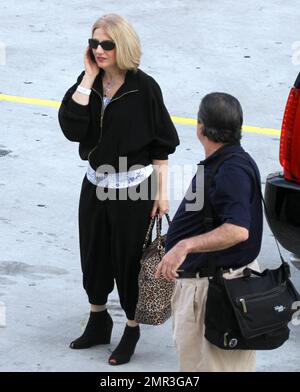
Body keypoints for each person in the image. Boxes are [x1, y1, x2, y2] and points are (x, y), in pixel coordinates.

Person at [58, 13, 179, 365]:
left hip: (132, 189)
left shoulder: (145, 88)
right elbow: (71, 128)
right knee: (93, 254)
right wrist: (89, 77)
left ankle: (131, 326)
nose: (98, 49)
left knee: (128, 261)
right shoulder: (89, 83)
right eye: (94, 43)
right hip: (95, 184)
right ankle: (98, 319)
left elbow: (161, 145)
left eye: (106, 44)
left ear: (122, 45)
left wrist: (161, 192)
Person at [156, 92, 263, 372]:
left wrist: (184, 246)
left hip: (213, 291)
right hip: (214, 284)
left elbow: (238, 230)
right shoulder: (228, 161)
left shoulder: (231, 170)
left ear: (200, 128)